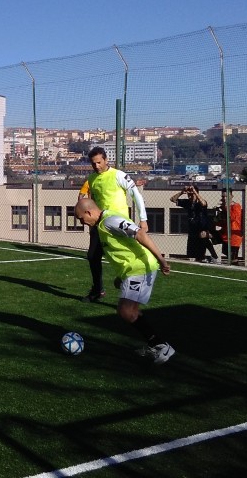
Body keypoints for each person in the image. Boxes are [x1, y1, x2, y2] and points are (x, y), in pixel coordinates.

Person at [74, 197, 175, 364]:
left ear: (88, 212)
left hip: (140, 269)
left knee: (126, 310)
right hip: (132, 271)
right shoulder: (102, 224)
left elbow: (140, 234)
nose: (82, 222)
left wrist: (162, 260)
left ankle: (161, 345)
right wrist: (120, 276)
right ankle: (154, 344)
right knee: (130, 310)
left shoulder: (110, 221)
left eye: (81, 218)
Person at [78, 147, 148, 302]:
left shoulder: (119, 175)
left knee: (126, 256)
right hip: (100, 224)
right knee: (92, 256)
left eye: (99, 162)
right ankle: (98, 290)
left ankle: (129, 288)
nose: (96, 166)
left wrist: (143, 219)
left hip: (119, 225)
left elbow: (136, 195)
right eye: (93, 163)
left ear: (106, 160)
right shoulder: (92, 179)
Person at [170, 184, 218, 262]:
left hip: (202, 226)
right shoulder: (188, 202)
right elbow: (173, 199)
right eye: (189, 194)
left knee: (203, 237)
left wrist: (194, 192)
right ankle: (200, 258)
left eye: (192, 194)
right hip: (193, 227)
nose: (190, 196)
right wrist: (182, 192)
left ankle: (214, 256)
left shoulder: (200, 202)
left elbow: (204, 203)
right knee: (194, 248)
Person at [214, 190, 243, 264]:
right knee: (209, 234)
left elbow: (232, 218)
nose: (224, 198)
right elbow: (220, 221)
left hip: (234, 235)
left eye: (226, 196)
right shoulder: (223, 207)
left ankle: (234, 265)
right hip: (225, 234)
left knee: (233, 258)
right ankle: (213, 256)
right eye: (223, 196)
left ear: (231, 196)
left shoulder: (236, 206)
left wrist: (227, 207)